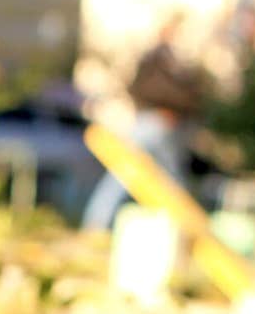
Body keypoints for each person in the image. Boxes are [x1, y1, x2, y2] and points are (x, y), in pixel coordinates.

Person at [81, 12, 206, 231]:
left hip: (150, 121)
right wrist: (173, 108)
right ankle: (184, 230)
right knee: (167, 179)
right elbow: (160, 90)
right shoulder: (162, 60)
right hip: (155, 121)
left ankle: (96, 224)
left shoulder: (165, 59)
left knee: (127, 173)